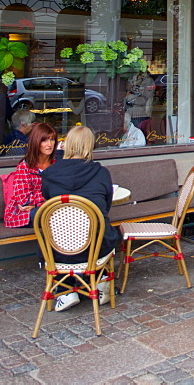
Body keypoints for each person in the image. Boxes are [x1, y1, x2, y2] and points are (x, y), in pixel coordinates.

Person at [41, 125, 119, 312]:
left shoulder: (50, 174)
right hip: (95, 245)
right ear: (90, 146)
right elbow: (105, 208)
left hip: (59, 248)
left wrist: (60, 156)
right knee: (108, 230)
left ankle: (65, 290)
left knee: (56, 232)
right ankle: (99, 279)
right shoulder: (101, 172)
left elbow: (48, 201)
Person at [3, 122, 57, 228]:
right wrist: (48, 199)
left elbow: (63, 192)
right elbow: (24, 201)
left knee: (66, 214)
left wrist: (38, 200)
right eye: (44, 140)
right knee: (56, 216)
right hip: (22, 215)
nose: (49, 144)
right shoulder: (24, 166)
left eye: (52, 139)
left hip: (50, 208)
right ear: (36, 142)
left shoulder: (56, 164)